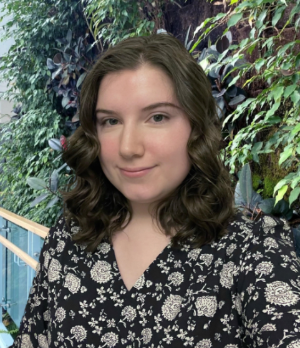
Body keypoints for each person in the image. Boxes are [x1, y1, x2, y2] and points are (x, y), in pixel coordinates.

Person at [10, 34, 300, 348]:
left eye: (157, 117)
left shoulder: (254, 248)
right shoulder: (68, 241)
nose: (128, 147)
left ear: (196, 125)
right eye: (111, 121)